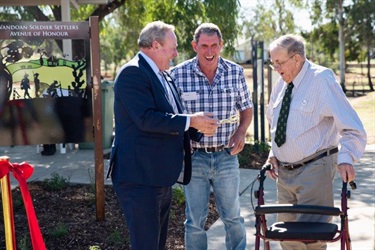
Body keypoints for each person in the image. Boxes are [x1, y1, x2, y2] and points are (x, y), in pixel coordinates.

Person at [107, 21, 220, 250]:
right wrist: (191, 120)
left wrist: (198, 129)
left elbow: (171, 117)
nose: (176, 54)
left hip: (158, 177)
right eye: (173, 47)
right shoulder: (133, 73)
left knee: (156, 244)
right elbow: (147, 119)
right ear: (156, 45)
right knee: (146, 244)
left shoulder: (163, 75)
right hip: (139, 178)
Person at [265, 34, 367, 250]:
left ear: (297, 59)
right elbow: (275, 124)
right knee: (287, 239)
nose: (275, 68)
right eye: (272, 62)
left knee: (312, 239)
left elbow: (352, 128)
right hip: (284, 174)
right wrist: (273, 153)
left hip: (314, 169)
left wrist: (346, 157)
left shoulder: (321, 80)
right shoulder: (281, 83)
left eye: (279, 62)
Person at [170, 23, 253, 250]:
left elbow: (247, 109)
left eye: (214, 45)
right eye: (204, 46)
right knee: (194, 221)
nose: (209, 52)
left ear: (221, 45)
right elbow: (169, 116)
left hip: (226, 156)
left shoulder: (235, 72)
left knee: (233, 217)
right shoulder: (177, 75)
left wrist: (240, 132)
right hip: (194, 157)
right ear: (194, 46)